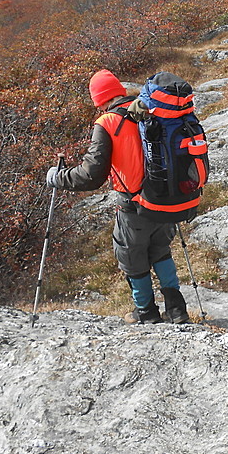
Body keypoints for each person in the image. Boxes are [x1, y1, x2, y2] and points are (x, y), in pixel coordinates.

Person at [46, 69, 190, 325]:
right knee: (161, 251)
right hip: (166, 197)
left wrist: (58, 177)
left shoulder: (107, 123)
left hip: (133, 204)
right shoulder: (150, 110)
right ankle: (177, 310)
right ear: (119, 91)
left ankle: (146, 312)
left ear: (99, 100)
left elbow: (91, 175)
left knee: (131, 256)